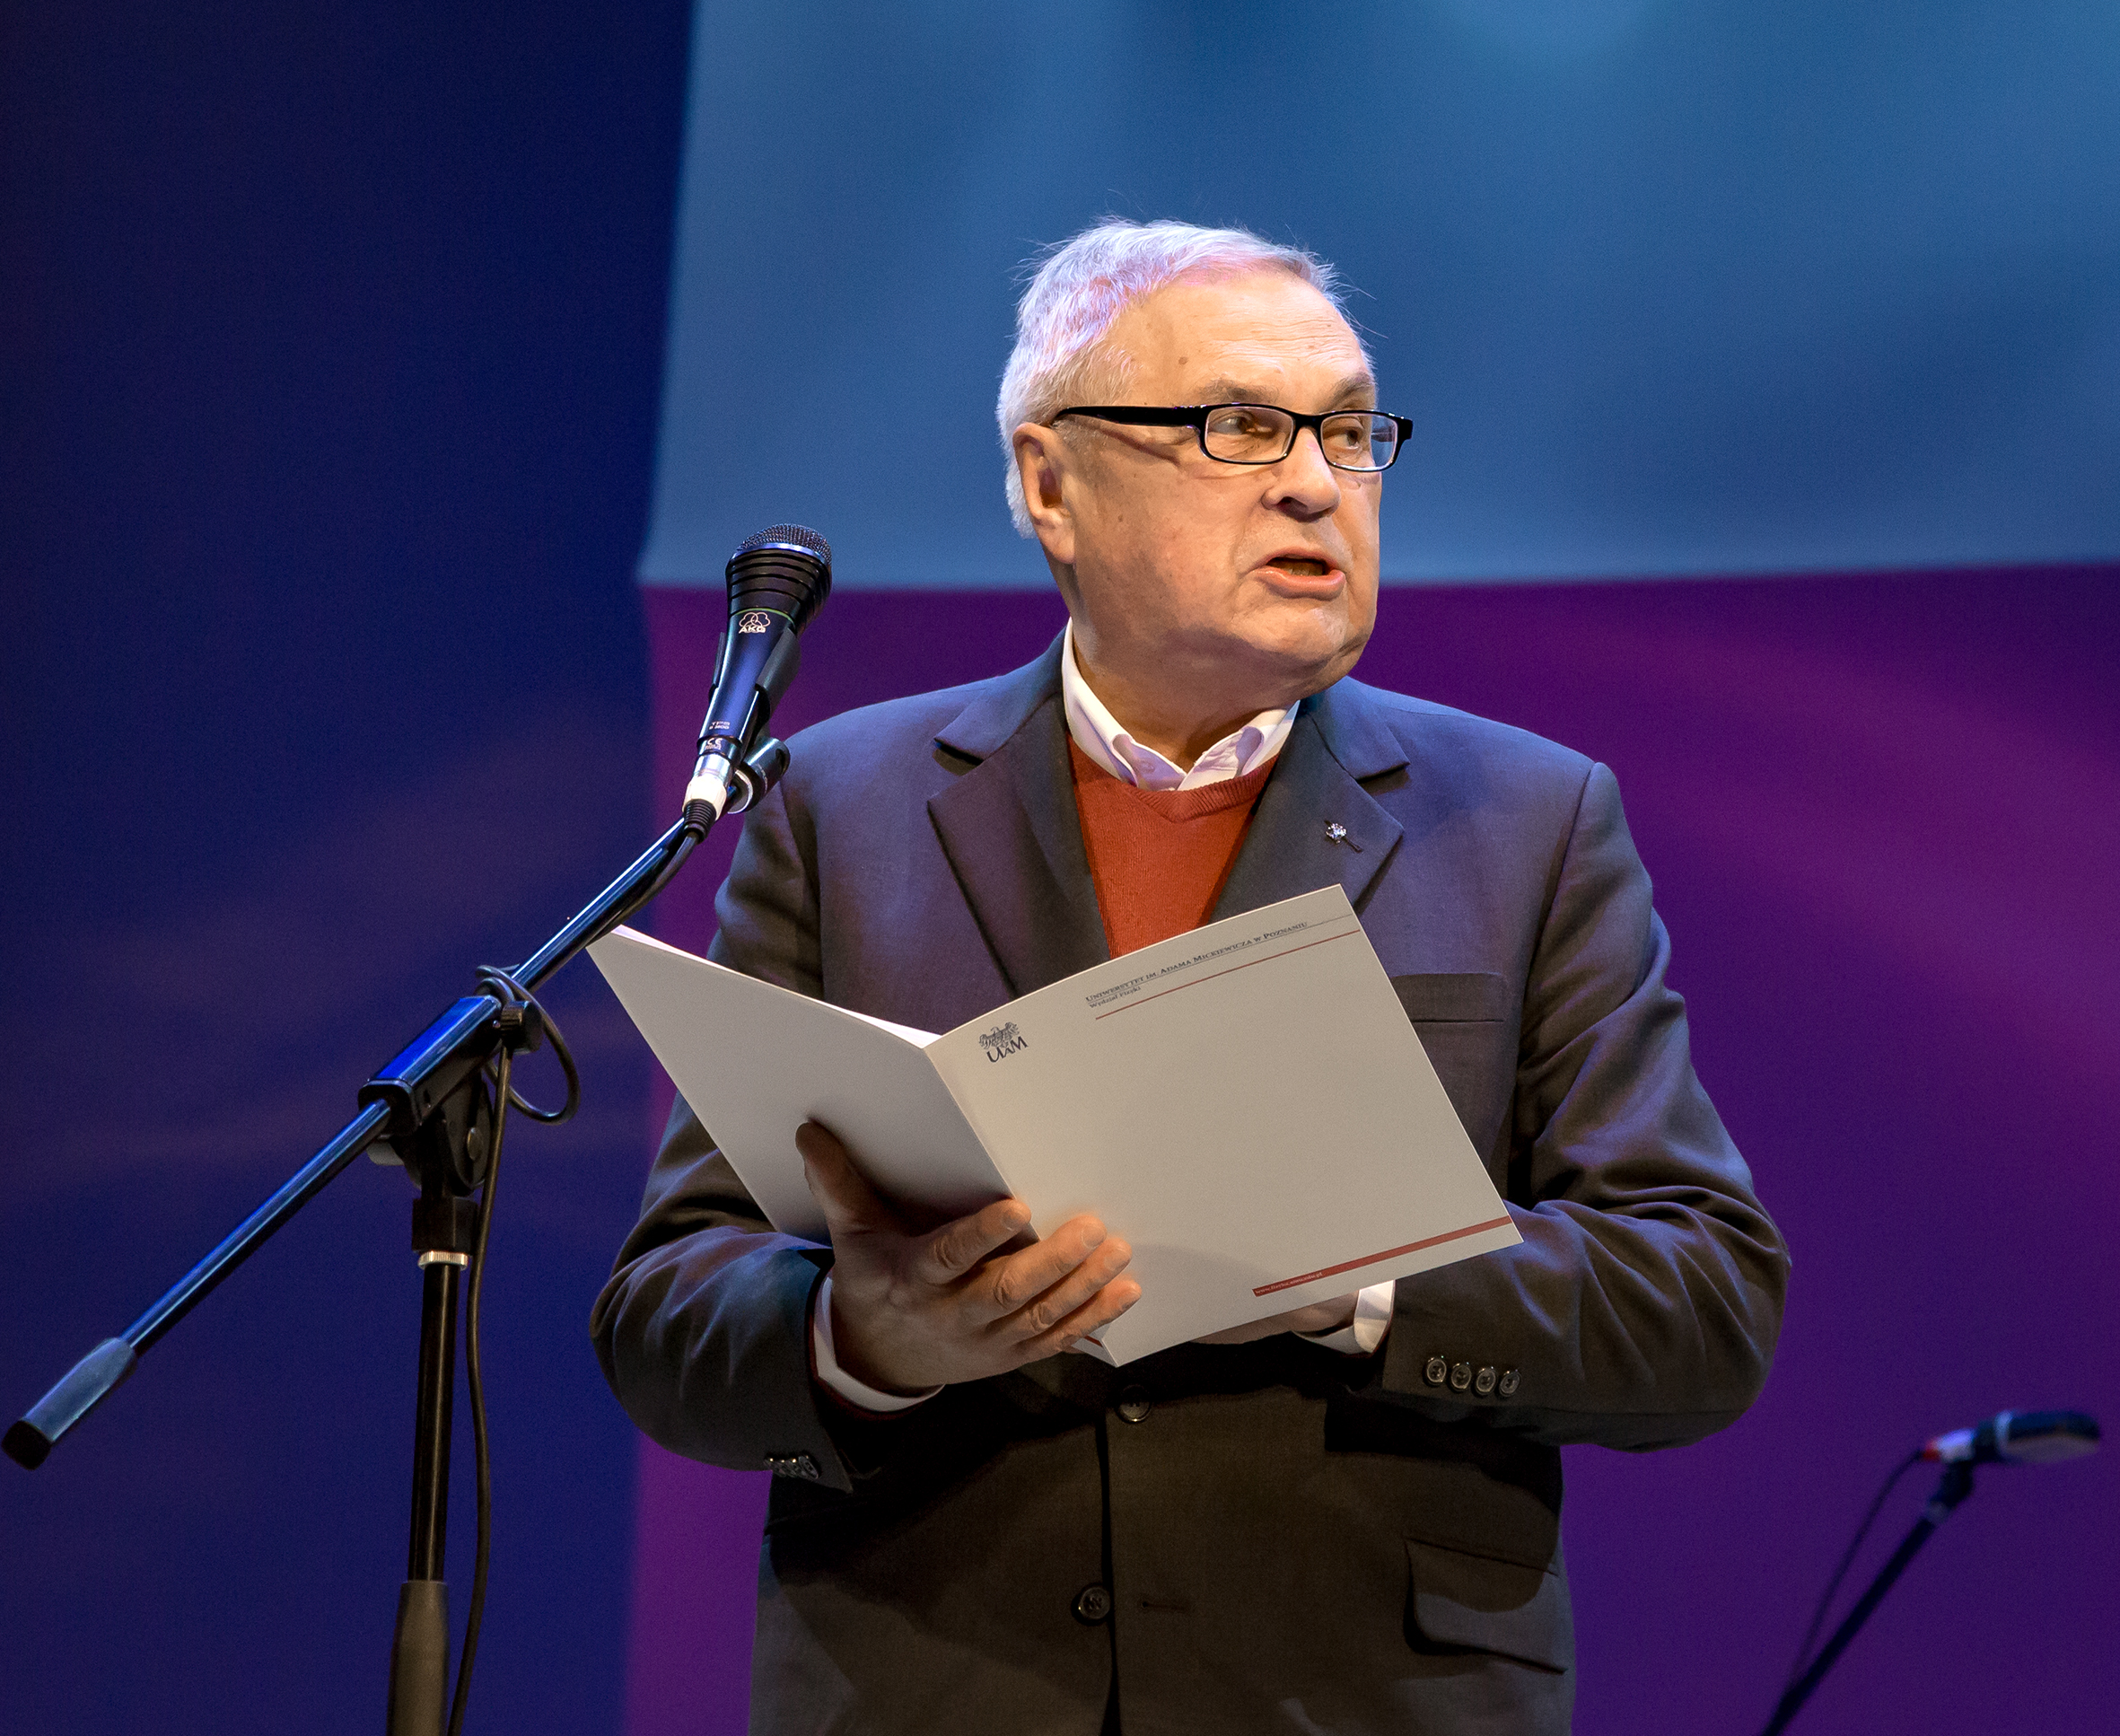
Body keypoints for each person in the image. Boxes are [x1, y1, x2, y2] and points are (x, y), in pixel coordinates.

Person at [592, 220, 1789, 1735]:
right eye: (1239, 426)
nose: (1315, 482)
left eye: (1349, 432)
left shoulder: (1527, 820)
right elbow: (668, 1313)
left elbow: (1699, 1304)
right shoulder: (840, 804)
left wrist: (1352, 1274)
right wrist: (868, 1339)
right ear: (1051, 486)